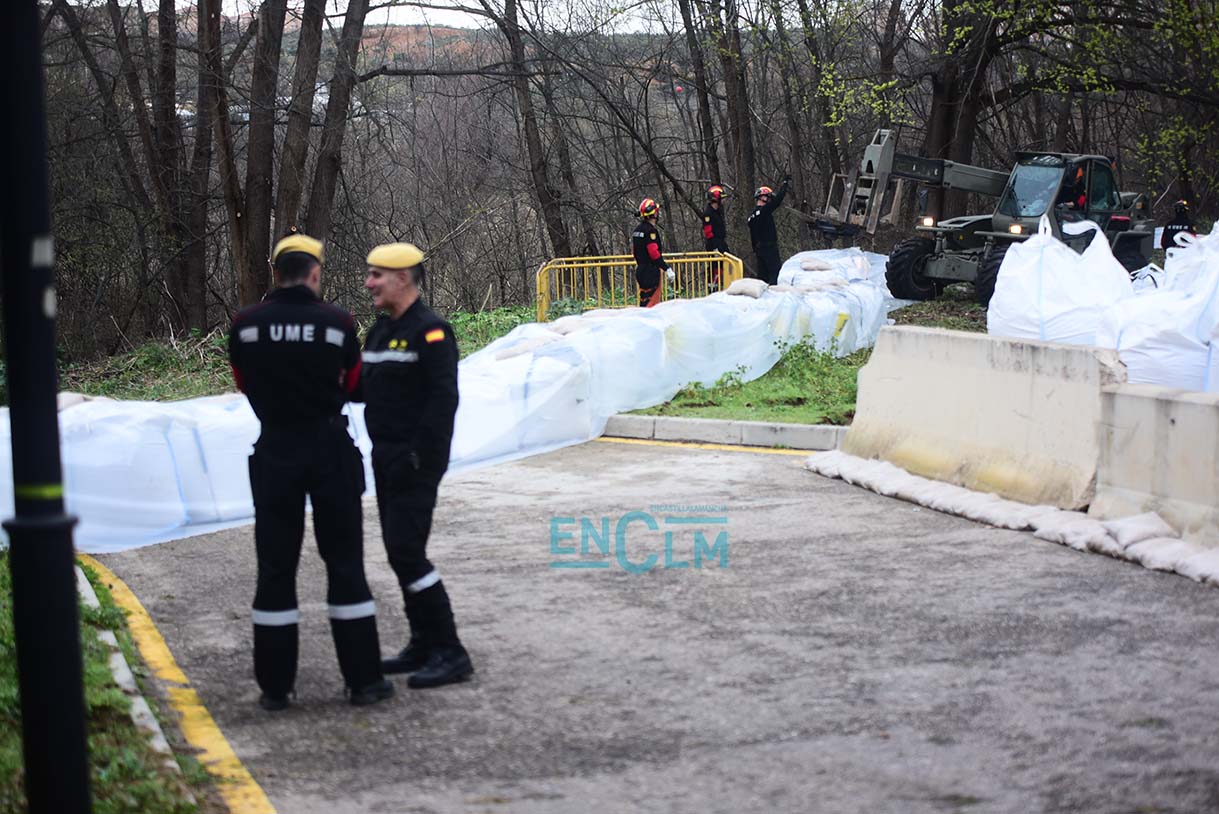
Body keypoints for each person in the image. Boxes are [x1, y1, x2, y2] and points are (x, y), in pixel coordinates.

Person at [228, 233, 393, 711]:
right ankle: (363, 680)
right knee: (344, 565)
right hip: (329, 453)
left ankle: (275, 687)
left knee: (275, 568)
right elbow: (355, 385)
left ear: (276, 274)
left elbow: (243, 382)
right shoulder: (339, 323)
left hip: (274, 450)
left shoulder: (245, 325)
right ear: (315, 274)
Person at [356, 242, 474, 689]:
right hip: (384, 457)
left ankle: (451, 650)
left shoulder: (433, 331)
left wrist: (420, 458)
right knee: (396, 550)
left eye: (376, 275)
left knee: (407, 551)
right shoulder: (380, 333)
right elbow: (361, 389)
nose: (368, 283)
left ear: (402, 278)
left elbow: (444, 402)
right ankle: (423, 642)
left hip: (414, 461)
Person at [748, 176, 790, 285]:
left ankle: (762, 299)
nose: (769, 200)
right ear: (762, 198)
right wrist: (784, 185)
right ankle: (774, 298)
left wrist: (755, 248)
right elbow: (777, 201)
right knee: (775, 273)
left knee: (762, 276)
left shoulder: (752, 216)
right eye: (768, 197)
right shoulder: (764, 211)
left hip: (759, 249)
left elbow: (753, 235)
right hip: (769, 248)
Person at [632, 198, 673, 307]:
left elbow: (634, 251)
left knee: (644, 302)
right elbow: (654, 253)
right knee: (652, 304)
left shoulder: (637, 230)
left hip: (641, 270)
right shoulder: (650, 231)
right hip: (651, 272)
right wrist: (666, 268)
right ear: (654, 213)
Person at [702, 185, 729, 290]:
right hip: (714, 243)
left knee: (725, 264)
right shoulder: (708, 213)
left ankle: (723, 286)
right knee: (714, 267)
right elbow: (708, 232)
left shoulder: (717, 212)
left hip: (721, 242)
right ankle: (712, 288)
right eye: (721, 198)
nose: (723, 200)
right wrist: (714, 248)